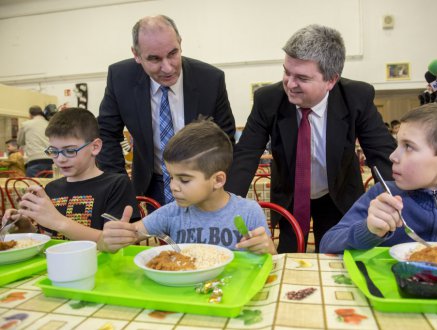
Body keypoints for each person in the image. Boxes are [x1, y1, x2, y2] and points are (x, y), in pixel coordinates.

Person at [225, 25, 396, 253]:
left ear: (331, 80)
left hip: (338, 196)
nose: (290, 83)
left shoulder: (356, 97)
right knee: (289, 254)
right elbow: (245, 155)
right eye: (287, 72)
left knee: (335, 256)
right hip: (290, 196)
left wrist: (397, 201)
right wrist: (225, 205)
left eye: (302, 78)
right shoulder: (268, 99)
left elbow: (381, 154)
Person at [320, 102, 437, 254]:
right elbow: (327, 245)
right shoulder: (382, 195)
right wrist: (368, 230)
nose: (393, 157)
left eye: (409, 147)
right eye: (397, 145)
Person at [97, 15, 236, 207]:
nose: (167, 67)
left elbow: (226, 139)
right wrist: (120, 186)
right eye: (154, 59)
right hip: (151, 183)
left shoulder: (210, 80)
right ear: (136, 55)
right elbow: (106, 133)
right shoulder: (120, 78)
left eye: (173, 53)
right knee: (160, 237)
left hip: (202, 184)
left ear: (180, 43)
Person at [98, 120, 276, 255]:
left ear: (218, 180)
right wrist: (111, 240)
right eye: (171, 177)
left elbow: (271, 259)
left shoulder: (248, 212)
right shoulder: (171, 213)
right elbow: (131, 234)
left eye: (184, 180)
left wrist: (266, 248)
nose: (173, 187)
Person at [2, 108, 140, 241]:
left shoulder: (116, 184)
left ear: (95, 147)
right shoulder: (51, 188)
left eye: (70, 151)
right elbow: (50, 238)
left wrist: (58, 221)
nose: (60, 159)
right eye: (54, 151)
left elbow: (113, 241)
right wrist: (27, 227)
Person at [17, 105, 53, 177]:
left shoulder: (26, 124)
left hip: (35, 160)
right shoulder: (49, 124)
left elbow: (19, 142)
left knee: (33, 185)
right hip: (50, 160)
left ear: (30, 115)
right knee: (48, 186)